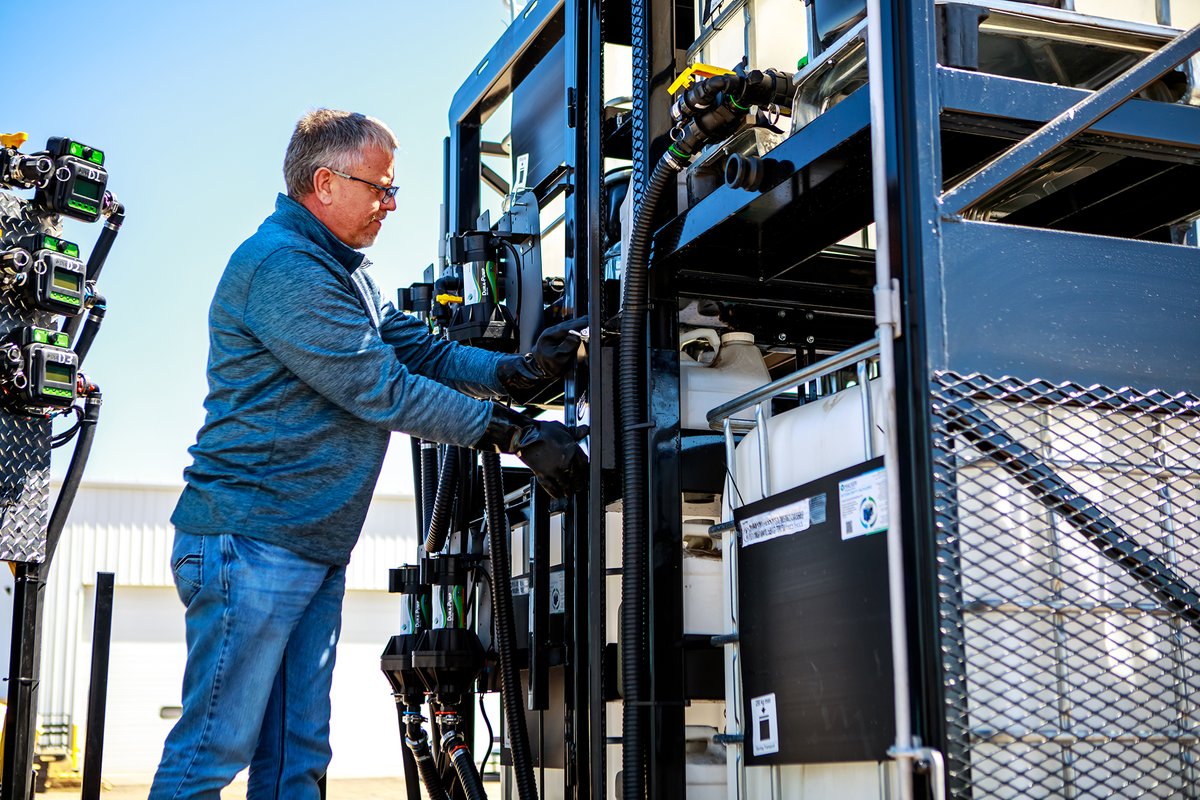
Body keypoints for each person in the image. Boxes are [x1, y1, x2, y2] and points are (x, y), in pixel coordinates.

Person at [149, 109, 587, 800]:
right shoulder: (283, 268)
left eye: (393, 189)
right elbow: (379, 388)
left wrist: (516, 375)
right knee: (212, 752)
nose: (389, 203)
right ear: (325, 182)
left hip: (305, 547)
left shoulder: (344, 273)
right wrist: (515, 434)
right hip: (250, 542)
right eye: (379, 187)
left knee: (298, 759)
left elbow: (423, 350)